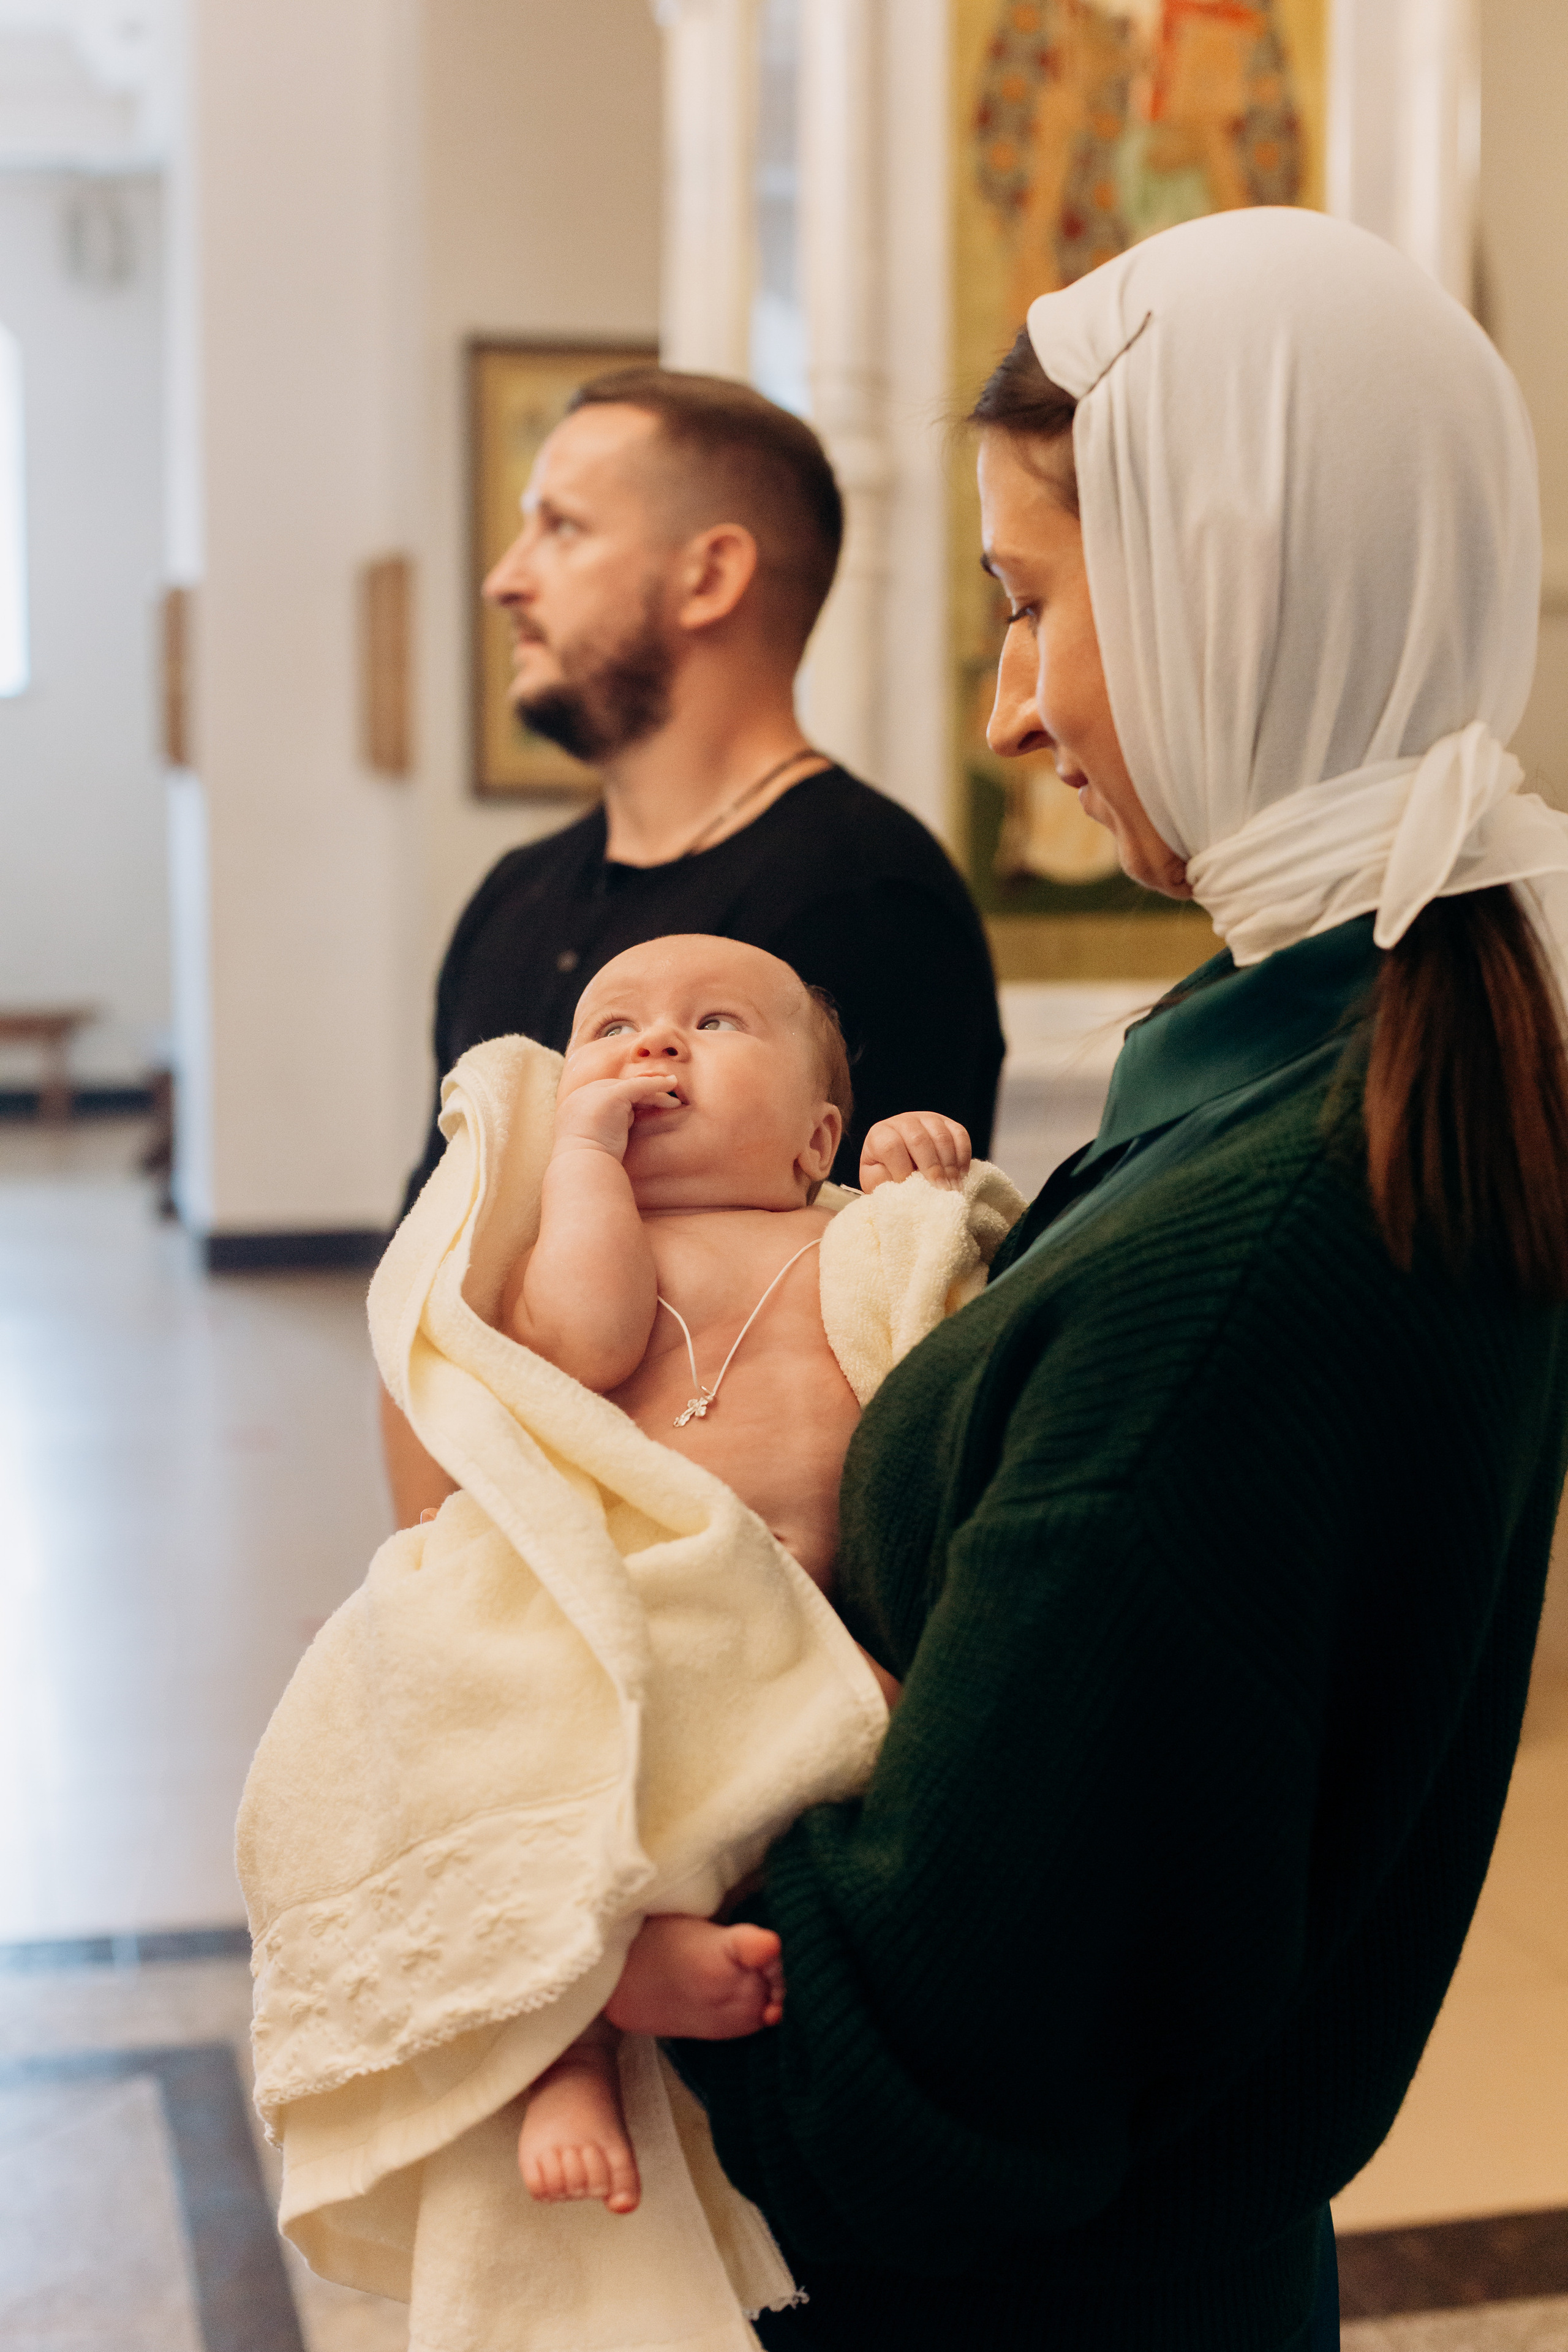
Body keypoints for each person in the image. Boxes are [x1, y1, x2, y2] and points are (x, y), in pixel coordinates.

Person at [601, 208, 1568, 2352]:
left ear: (1238, 586)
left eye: (1032, 606)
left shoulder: (1249, 1256)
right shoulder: (1359, 1049)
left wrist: (569, 1883)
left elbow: (923, 2084)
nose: (1016, 706)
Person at [382, 368, 1005, 1528]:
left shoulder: (863, 895)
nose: (505, 577)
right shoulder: (515, 895)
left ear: (710, 573)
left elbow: (895, 1343)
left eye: (561, 527)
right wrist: (426, 1592)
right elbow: (427, 1278)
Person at [502, 933, 971, 2216]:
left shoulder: (844, 1239)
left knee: (893, 1767)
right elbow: (587, 1341)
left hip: (815, 1619)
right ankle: (583, 2031)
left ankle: (740, 1956)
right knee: (562, 1785)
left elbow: (953, 1303)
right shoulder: (593, 1240)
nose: (653, 1046)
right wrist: (585, 1163)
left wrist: (917, 1173)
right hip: (645, 1611)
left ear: (814, 1140)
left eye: (713, 1024)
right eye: (612, 1028)